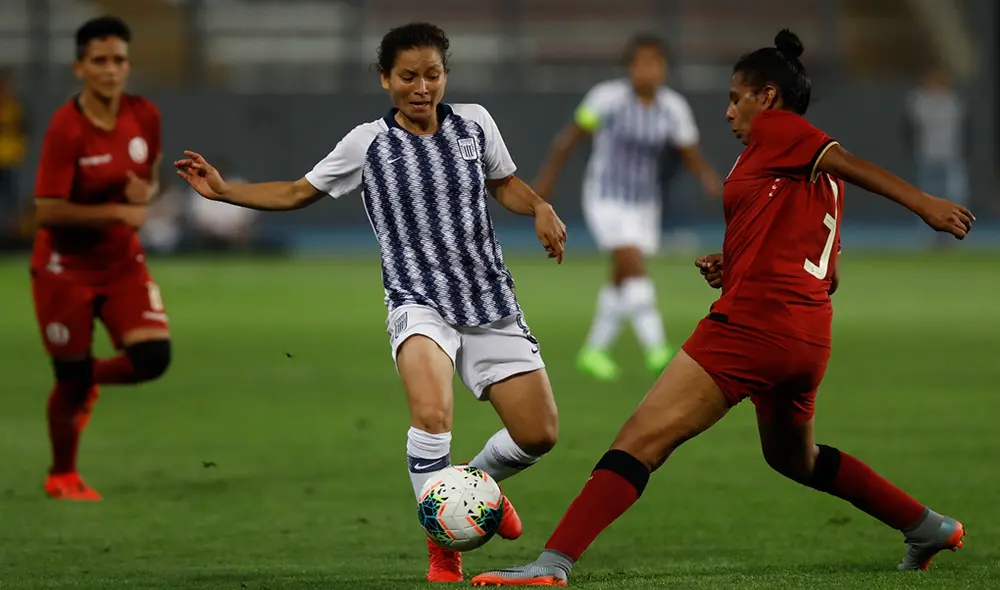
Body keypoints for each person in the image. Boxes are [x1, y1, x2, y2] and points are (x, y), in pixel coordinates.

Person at [470, 30, 973, 587]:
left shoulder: (786, 135)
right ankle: (926, 525)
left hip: (755, 326)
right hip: (807, 333)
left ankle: (551, 565)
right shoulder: (804, 176)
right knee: (792, 459)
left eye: (738, 97)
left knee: (640, 439)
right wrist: (732, 265)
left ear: (769, 98)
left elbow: (842, 156)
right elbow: (821, 269)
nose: (730, 110)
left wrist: (923, 204)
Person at [174, 22, 567, 584]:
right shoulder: (368, 143)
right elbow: (296, 191)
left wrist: (539, 207)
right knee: (432, 415)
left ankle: (475, 489)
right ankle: (443, 545)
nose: (422, 86)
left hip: (488, 298)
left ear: (445, 76)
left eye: (432, 74)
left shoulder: (476, 123)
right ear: (385, 79)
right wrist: (224, 191)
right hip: (418, 301)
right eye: (408, 76)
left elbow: (504, 183)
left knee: (539, 434)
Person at [32, 16, 171, 501]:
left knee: (152, 358)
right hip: (64, 269)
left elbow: (146, 179)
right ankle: (62, 475)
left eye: (119, 61)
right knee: (68, 380)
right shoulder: (67, 128)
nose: (111, 70)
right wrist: (118, 209)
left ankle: (79, 380)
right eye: (100, 61)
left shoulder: (144, 115)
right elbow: (46, 209)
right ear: (80, 68)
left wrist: (146, 191)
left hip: (120, 262)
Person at [533, 34, 722, 381]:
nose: (649, 71)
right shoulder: (607, 99)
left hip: (644, 203)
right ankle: (657, 348)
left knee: (623, 275)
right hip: (605, 197)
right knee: (630, 261)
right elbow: (571, 137)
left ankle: (594, 350)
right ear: (630, 68)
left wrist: (712, 182)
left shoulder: (673, 108)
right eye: (642, 63)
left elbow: (689, 151)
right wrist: (548, 179)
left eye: (656, 63)